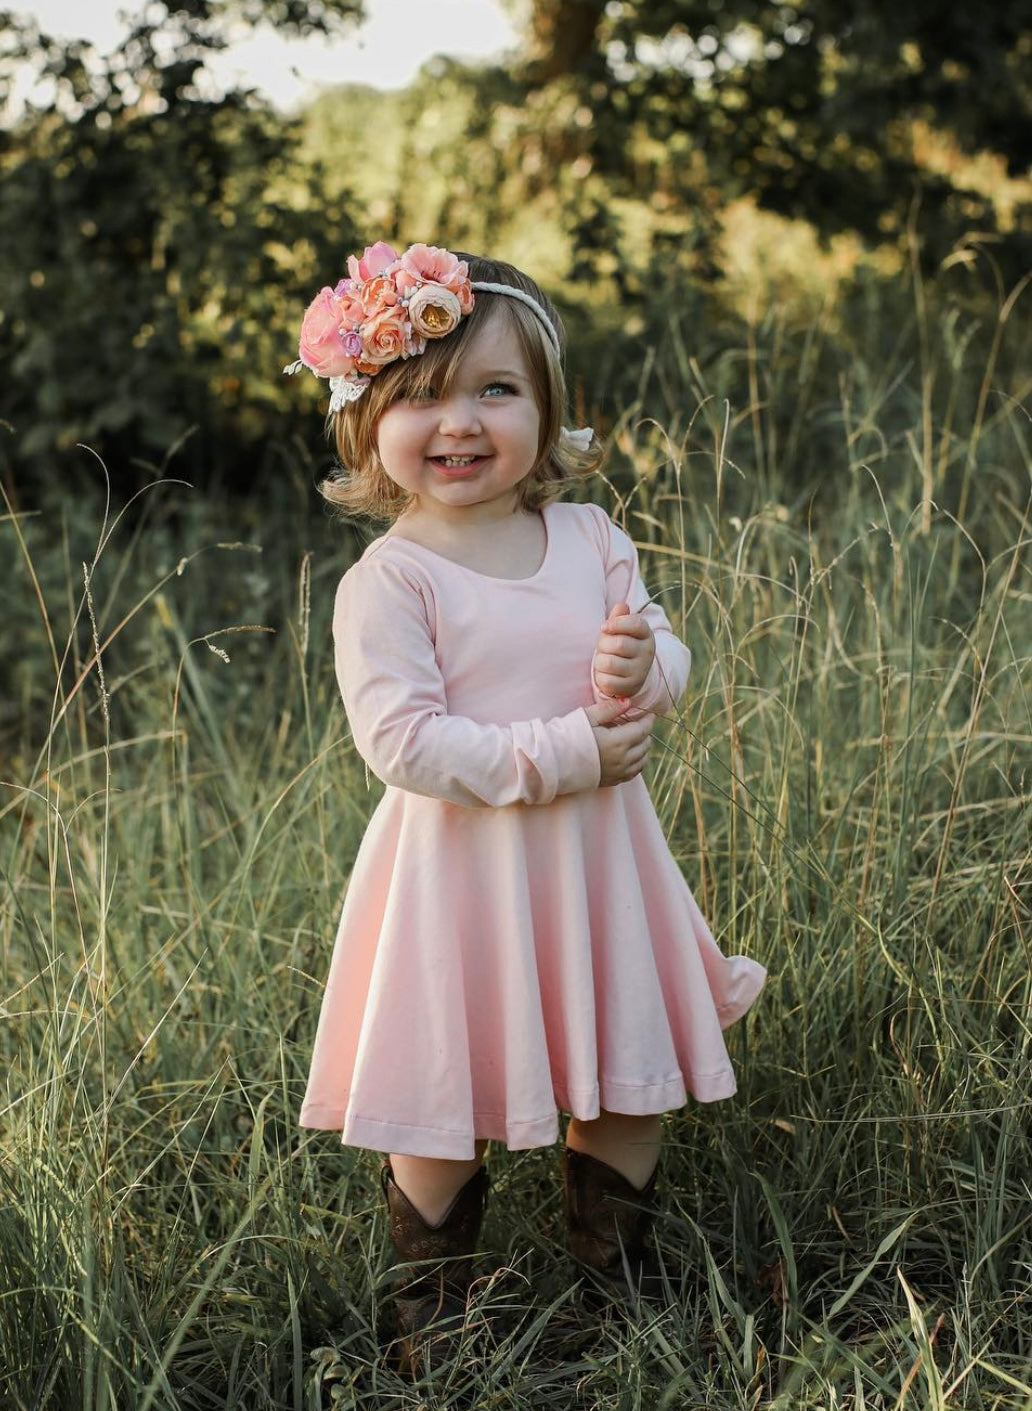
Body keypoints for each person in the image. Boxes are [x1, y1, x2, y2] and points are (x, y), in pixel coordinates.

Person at [288, 241, 765, 1373]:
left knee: (621, 1081)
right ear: (367, 423)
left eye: (496, 390)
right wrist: (568, 749)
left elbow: (656, 651)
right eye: (421, 397)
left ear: (547, 414)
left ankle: (621, 1290)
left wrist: (646, 673)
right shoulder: (394, 580)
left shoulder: (591, 538)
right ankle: (436, 1321)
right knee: (442, 1100)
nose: (460, 422)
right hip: (458, 874)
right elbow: (401, 740)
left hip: (598, 863)